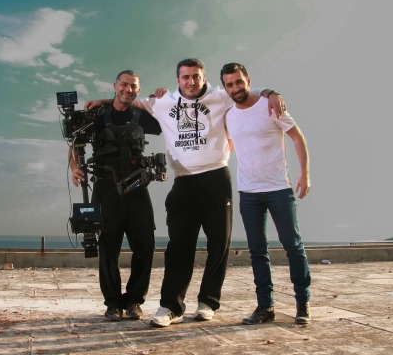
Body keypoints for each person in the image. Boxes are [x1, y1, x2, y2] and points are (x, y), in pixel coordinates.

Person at [86, 58, 286, 327]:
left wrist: (272, 93)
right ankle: (171, 306)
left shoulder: (221, 96)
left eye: (196, 76)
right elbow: (125, 99)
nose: (191, 82)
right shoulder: (163, 102)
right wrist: (101, 102)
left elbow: (246, 91)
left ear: (203, 77)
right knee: (178, 246)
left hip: (216, 178)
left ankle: (208, 302)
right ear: (178, 80)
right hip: (183, 182)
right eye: (186, 77)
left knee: (218, 244)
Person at [221, 62, 312, 325]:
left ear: (248, 81)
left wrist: (305, 174)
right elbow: (231, 144)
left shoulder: (270, 105)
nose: (235, 88)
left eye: (239, 82)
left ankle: (303, 304)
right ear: (225, 88)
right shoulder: (228, 114)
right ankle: (265, 307)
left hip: (278, 189)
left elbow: (298, 137)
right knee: (257, 251)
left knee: (293, 245)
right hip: (248, 192)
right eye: (230, 84)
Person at [68, 70, 162, 322]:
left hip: (137, 188)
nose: (128, 89)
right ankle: (113, 303)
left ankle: (134, 300)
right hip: (106, 188)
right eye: (124, 84)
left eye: (133, 86)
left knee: (145, 245)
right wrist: (75, 167)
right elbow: (74, 143)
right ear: (115, 86)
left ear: (138, 90)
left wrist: (162, 97)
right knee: (108, 247)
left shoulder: (143, 116)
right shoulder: (98, 115)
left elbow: (171, 119)